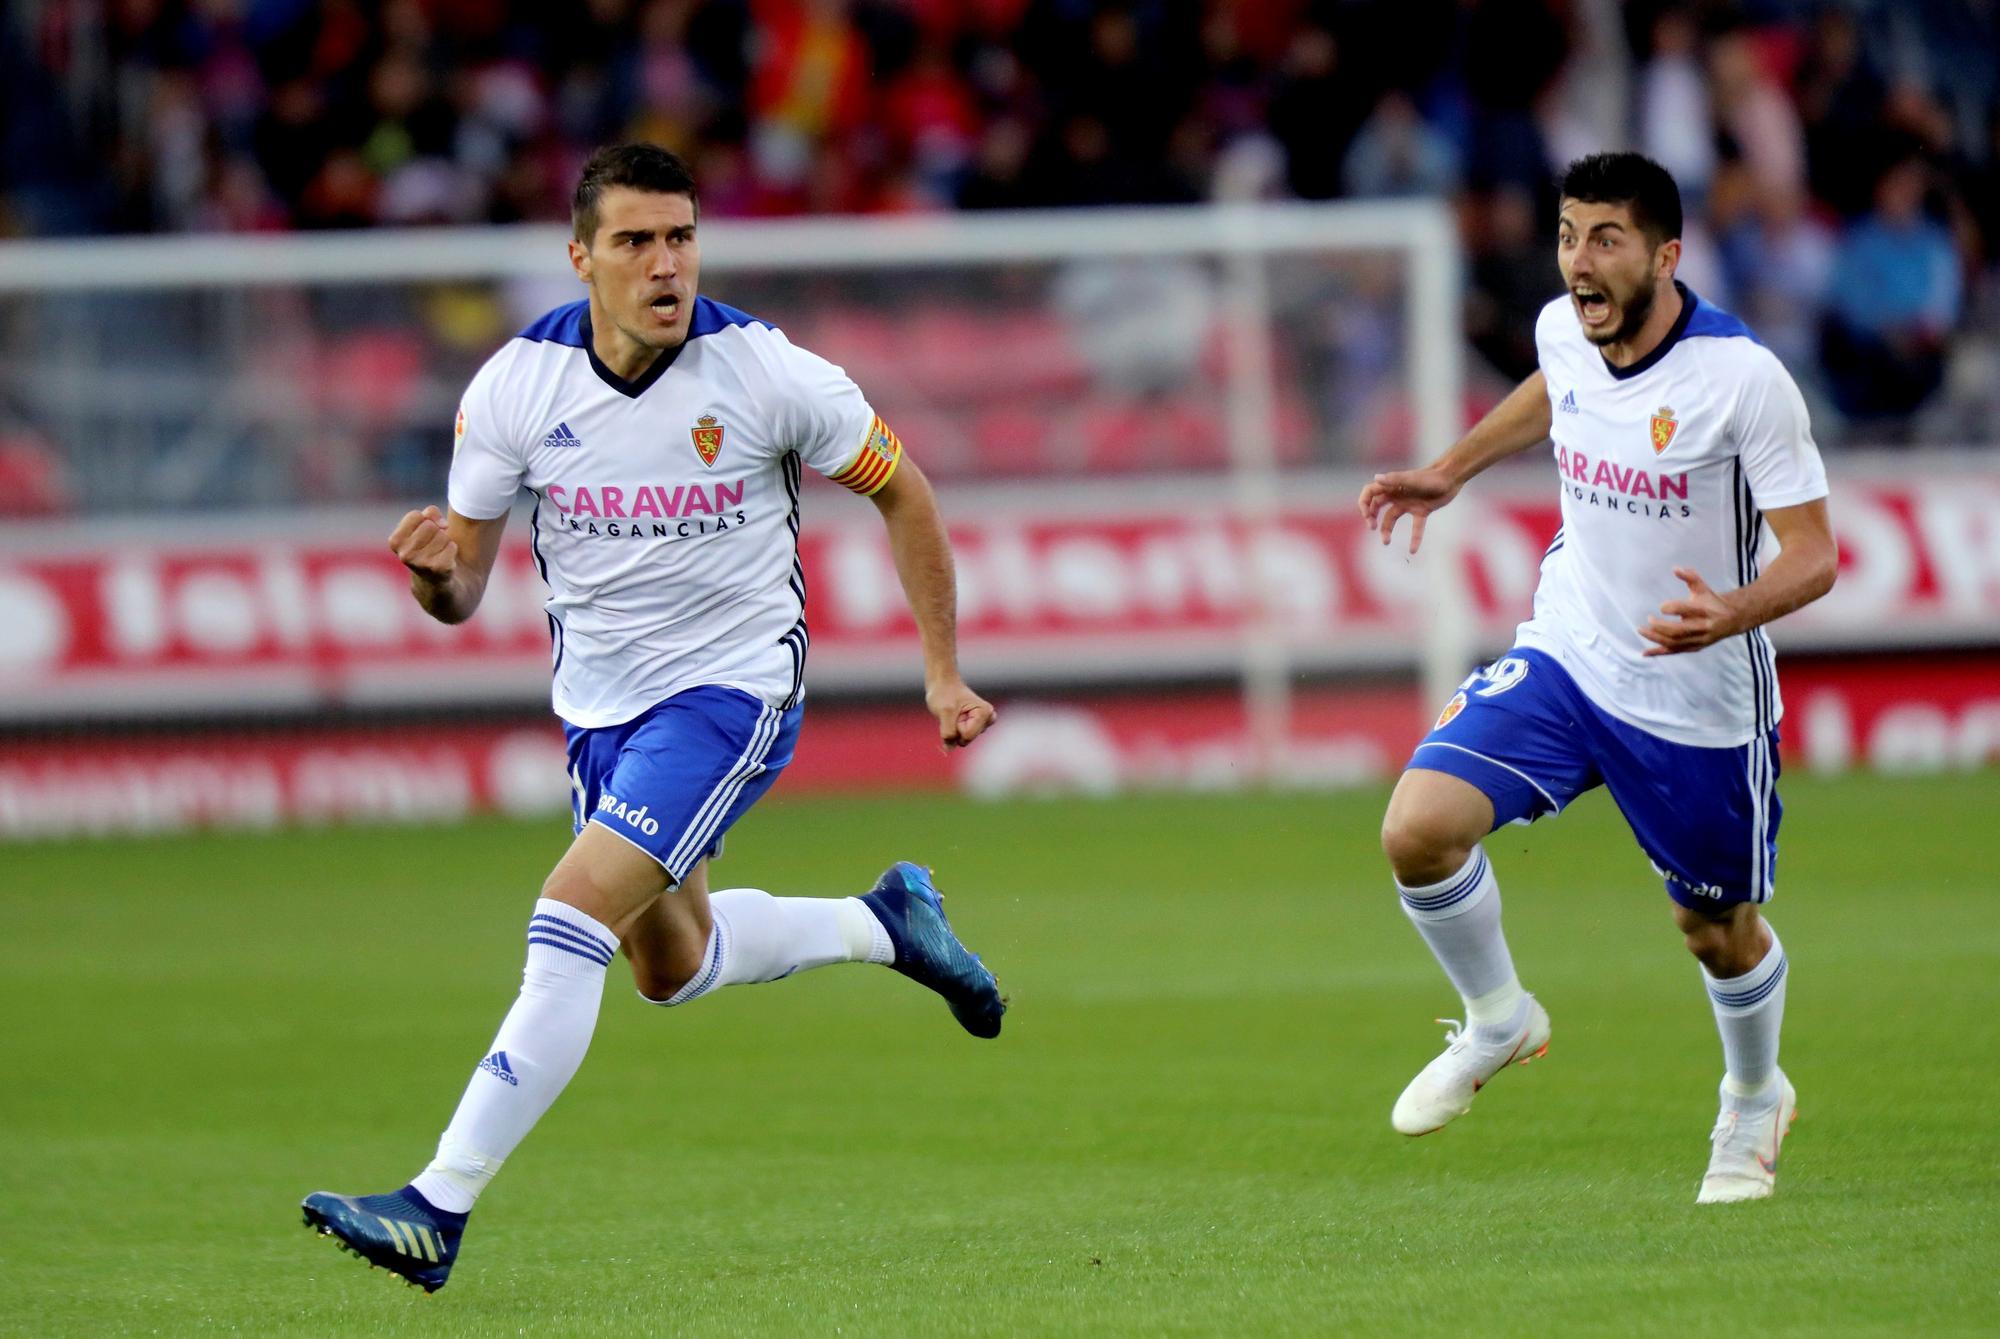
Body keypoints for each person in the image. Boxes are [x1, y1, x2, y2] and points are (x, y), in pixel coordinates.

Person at [302, 143, 1005, 1291]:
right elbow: (462, 590)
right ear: (580, 258)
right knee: (669, 967)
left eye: (680, 236)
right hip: (599, 710)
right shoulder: (513, 392)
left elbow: (901, 490)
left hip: (732, 690)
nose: (664, 263)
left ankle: (437, 1202)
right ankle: (887, 923)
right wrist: (431, 577)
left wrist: (941, 670)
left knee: (567, 915)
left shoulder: (768, 373)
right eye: (634, 241)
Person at [1358, 152, 1837, 1203]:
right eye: (1569, 234)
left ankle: (1753, 1096)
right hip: (1571, 651)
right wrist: (1449, 468)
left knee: (1712, 930)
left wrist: (1732, 610)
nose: (1579, 260)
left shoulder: (1739, 379)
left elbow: (1814, 553)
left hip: (1694, 695)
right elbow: (1552, 390)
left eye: (1605, 238)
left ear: (1666, 255)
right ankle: (1497, 1018)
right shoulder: (1558, 325)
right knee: (1416, 828)